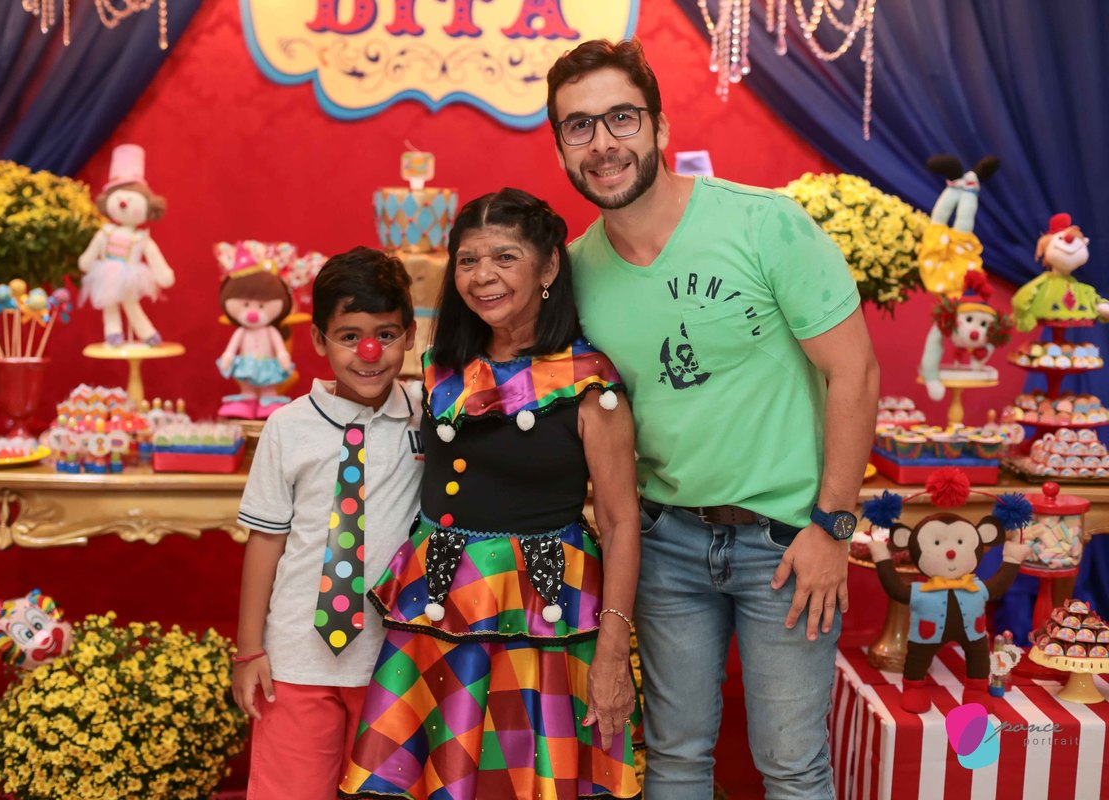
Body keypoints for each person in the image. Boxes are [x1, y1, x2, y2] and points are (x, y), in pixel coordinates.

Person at [547, 39, 881, 798]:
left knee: (792, 765)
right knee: (675, 757)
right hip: (666, 545)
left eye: (622, 118)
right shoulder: (575, 272)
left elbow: (854, 371)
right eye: (579, 127)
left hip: (787, 540)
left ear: (659, 127)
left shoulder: (765, 225)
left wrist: (832, 526)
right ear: (562, 148)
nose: (602, 143)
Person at [340, 188, 642, 800]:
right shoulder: (440, 367)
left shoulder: (588, 380)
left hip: (543, 609)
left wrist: (613, 649)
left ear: (548, 267)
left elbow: (619, 521)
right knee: (434, 777)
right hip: (438, 604)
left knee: (530, 778)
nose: (483, 276)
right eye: (468, 260)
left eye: (505, 257)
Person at [232, 247, 422, 800]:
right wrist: (249, 650)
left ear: (410, 335)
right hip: (296, 658)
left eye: (386, 335)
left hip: (393, 660)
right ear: (319, 339)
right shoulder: (287, 427)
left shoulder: (430, 413)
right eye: (350, 336)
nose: (369, 352)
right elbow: (265, 542)